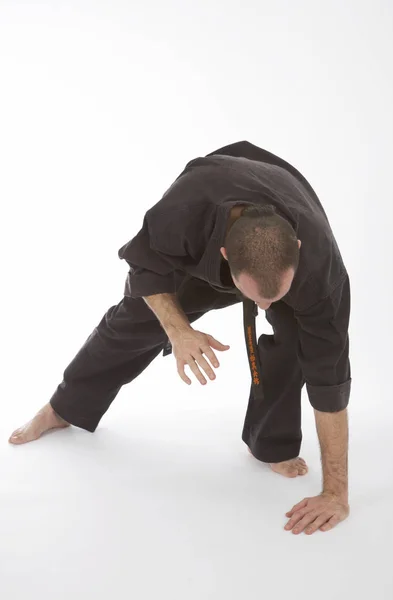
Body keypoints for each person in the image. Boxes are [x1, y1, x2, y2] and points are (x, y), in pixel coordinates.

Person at [9, 141, 351, 535]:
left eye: (276, 297)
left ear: (299, 249)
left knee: (296, 341)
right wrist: (179, 331)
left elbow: (331, 379)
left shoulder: (320, 269)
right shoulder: (185, 212)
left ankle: (271, 443)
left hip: (285, 199)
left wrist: (335, 493)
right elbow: (145, 267)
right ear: (224, 257)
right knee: (136, 319)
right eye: (257, 297)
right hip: (210, 209)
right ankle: (63, 408)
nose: (266, 306)